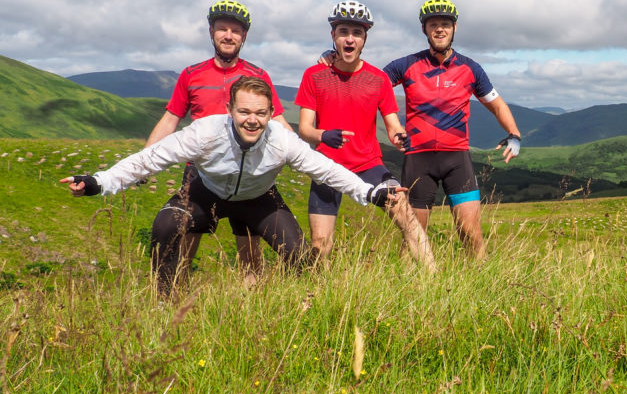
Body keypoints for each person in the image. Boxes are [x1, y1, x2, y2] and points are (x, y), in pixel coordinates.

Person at [62, 77, 399, 295]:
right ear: (230, 110)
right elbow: (150, 159)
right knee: (165, 225)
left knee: (299, 256)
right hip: (205, 191)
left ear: (271, 114)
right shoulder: (205, 132)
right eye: (244, 111)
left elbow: (326, 169)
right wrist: (98, 182)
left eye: (261, 113)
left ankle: (305, 311)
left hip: (258, 197)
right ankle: (164, 305)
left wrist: (370, 193)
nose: (252, 119)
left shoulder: (281, 140)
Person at [145, 0, 292, 277]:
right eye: (222, 29)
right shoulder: (191, 75)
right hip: (200, 172)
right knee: (186, 246)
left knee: (249, 251)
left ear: (244, 36)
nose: (228, 35)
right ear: (211, 32)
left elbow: (278, 120)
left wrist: (302, 157)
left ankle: (252, 312)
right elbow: (170, 119)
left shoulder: (258, 76)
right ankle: (177, 311)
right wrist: (146, 162)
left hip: (248, 172)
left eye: (235, 31)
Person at [296, 1, 433, 268]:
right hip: (326, 165)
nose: (350, 38)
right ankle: (320, 298)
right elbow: (304, 130)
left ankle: (436, 281)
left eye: (356, 33)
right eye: (343, 31)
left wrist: (399, 137)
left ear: (364, 38)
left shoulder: (378, 79)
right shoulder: (314, 75)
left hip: (368, 164)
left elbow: (393, 126)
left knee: (405, 213)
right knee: (319, 245)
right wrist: (324, 136)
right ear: (333, 36)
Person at [382, 0, 522, 258]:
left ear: (454, 28)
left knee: (471, 234)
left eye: (445, 23)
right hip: (417, 160)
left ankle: (482, 288)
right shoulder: (406, 65)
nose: (439, 29)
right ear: (424, 29)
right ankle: (408, 292)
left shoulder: (470, 68)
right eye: (433, 24)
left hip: (456, 158)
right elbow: (371, 85)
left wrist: (514, 134)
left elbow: (497, 104)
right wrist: (333, 59)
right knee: (413, 238)